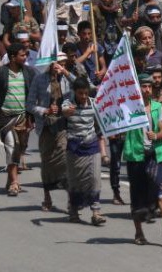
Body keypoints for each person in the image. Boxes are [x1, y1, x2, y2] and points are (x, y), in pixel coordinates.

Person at [124, 74, 162, 245]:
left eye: (149, 87)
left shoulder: (158, 107)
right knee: (136, 193)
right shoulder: (129, 108)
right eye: (144, 86)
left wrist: (156, 135)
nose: (147, 89)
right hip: (136, 155)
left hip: (156, 154)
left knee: (159, 185)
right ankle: (139, 233)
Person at [0, 43, 37, 197]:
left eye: (26, 55)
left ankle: (10, 179)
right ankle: (15, 183)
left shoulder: (30, 73)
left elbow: (33, 97)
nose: (25, 58)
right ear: (13, 57)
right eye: (22, 55)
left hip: (23, 117)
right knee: (12, 146)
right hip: (4, 118)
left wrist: (33, 117)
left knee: (20, 147)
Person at [28, 54, 73, 211]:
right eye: (58, 64)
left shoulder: (67, 79)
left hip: (63, 126)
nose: (60, 67)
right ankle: (47, 197)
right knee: (47, 162)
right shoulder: (39, 79)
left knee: (65, 160)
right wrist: (45, 110)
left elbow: (81, 86)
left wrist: (64, 109)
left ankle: (70, 199)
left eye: (63, 64)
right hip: (46, 127)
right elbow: (30, 104)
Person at [62, 78, 107, 225]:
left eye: (85, 93)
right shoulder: (68, 102)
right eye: (80, 93)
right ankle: (74, 210)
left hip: (92, 145)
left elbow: (101, 121)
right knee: (75, 181)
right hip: (74, 147)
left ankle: (96, 212)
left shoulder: (94, 103)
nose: (83, 96)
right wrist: (68, 111)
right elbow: (64, 111)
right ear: (75, 92)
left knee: (95, 178)